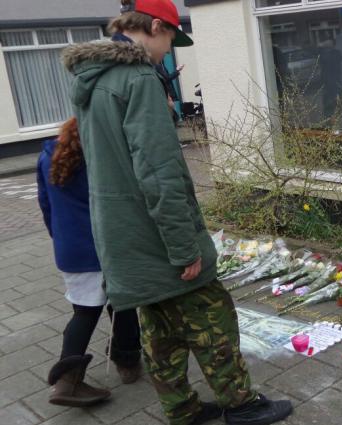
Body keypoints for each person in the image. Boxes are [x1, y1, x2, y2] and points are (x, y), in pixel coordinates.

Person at [61, 1, 292, 424]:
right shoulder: (137, 78)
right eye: (169, 38)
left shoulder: (93, 80)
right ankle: (241, 405)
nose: (167, 50)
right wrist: (185, 247)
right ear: (153, 26)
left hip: (121, 234)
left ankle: (181, 409)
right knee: (212, 314)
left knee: (160, 325)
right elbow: (158, 170)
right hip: (155, 232)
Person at [36, 117, 143, 407]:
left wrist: (60, 239)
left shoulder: (47, 157)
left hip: (71, 250)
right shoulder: (97, 160)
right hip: (101, 247)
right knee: (108, 308)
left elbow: (45, 204)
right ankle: (70, 382)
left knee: (93, 307)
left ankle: (126, 358)